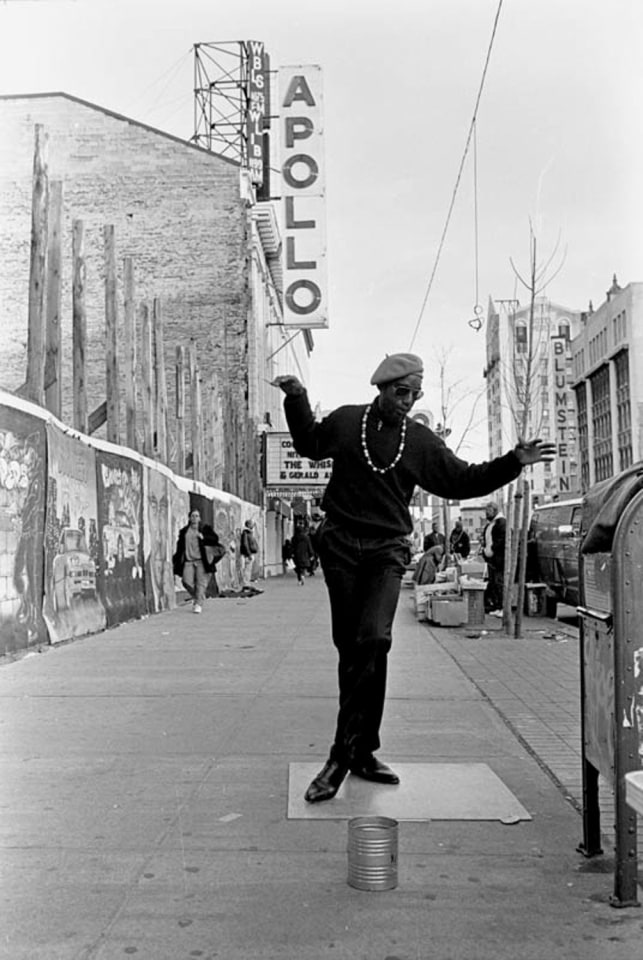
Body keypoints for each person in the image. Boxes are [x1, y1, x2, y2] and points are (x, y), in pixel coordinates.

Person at [275, 353, 555, 803]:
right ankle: (364, 749)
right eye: (401, 392)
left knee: (374, 639)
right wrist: (298, 398)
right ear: (381, 387)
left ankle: (340, 758)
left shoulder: (419, 441)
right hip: (342, 546)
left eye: (415, 394)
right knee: (355, 648)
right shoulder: (348, 423)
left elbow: (462, 479)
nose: (407, 401)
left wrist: (512, 461)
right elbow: (308, 443)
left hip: (387, 550)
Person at [172, 508, 221, 614]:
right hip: (188, 561)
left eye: (197, 516)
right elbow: (180, 547)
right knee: (186, 582)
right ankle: (199, 596)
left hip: (202, 562)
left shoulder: (204, 529)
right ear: (189, 518)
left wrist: (203, 538)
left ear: (200, 518)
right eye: (192, 516)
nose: (194, 518)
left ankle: (198, 604)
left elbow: (215, 539)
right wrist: (176, 558)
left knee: (201, 583)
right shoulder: (184, 531)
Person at [481, 502, 506, 616]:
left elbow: (501, 540)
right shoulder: (492, 523)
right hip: (492, 559)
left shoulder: (501, 523)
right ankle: (497, 605)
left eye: (488, 511)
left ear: (495, 510)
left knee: (499, 582)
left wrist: (492, 548)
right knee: (494, 583)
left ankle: (501, 607)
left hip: (498, 559)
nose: (486, 513)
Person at [291, 516, 316, 585]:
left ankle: (299, 578)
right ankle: (302, 575)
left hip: (296, 555)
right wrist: (311, 554)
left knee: (298, 567)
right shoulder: (306, 537)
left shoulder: (294, 538)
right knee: (303, 567)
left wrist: (291, 553)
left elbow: (292, 546)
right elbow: (309, 546)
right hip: (305, 554)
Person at [240, 519, 259, 587]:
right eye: (252, 524)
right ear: (248, 524)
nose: (253, 525)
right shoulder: (246, 533)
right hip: (248, 554)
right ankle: (246, 583)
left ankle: (247, 583)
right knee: (247, 569)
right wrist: (248, 554)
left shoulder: (250, 532)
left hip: (251, 553)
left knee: (249, 569)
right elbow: (245, 544)